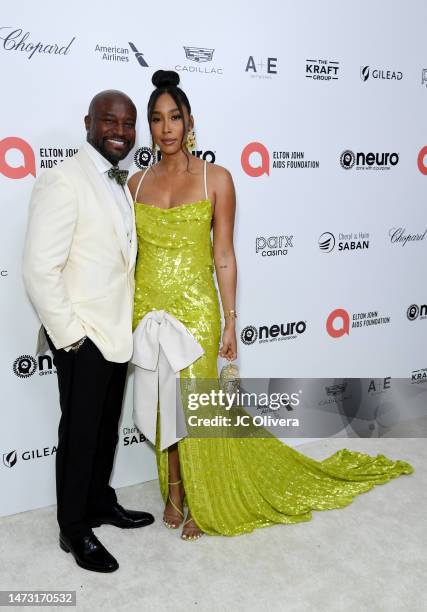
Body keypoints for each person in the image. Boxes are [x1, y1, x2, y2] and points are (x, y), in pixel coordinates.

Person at [128, 70, 414, 542]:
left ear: (190, 121)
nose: (166, 128)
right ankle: (174, 490)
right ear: (150, 127)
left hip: (197, 309)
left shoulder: (215, 177)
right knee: (162, 405)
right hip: (147, 306)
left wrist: (231, 320)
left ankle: (205, 496)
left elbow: (224, 253)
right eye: (157, 119)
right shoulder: (135, 185)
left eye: (175, 117)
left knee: (198, 408)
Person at [23, 90, 154, 573]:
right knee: (79, 434)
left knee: (103, 430)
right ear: (89, 122)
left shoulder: (120, 182)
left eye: (127, 124)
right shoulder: (63, 180)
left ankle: (99, 502)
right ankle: (73, 526)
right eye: (109, 122)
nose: (120, 131)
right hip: (83, 336)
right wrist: (72, 337)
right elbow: (39, 269)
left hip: (117, 331)